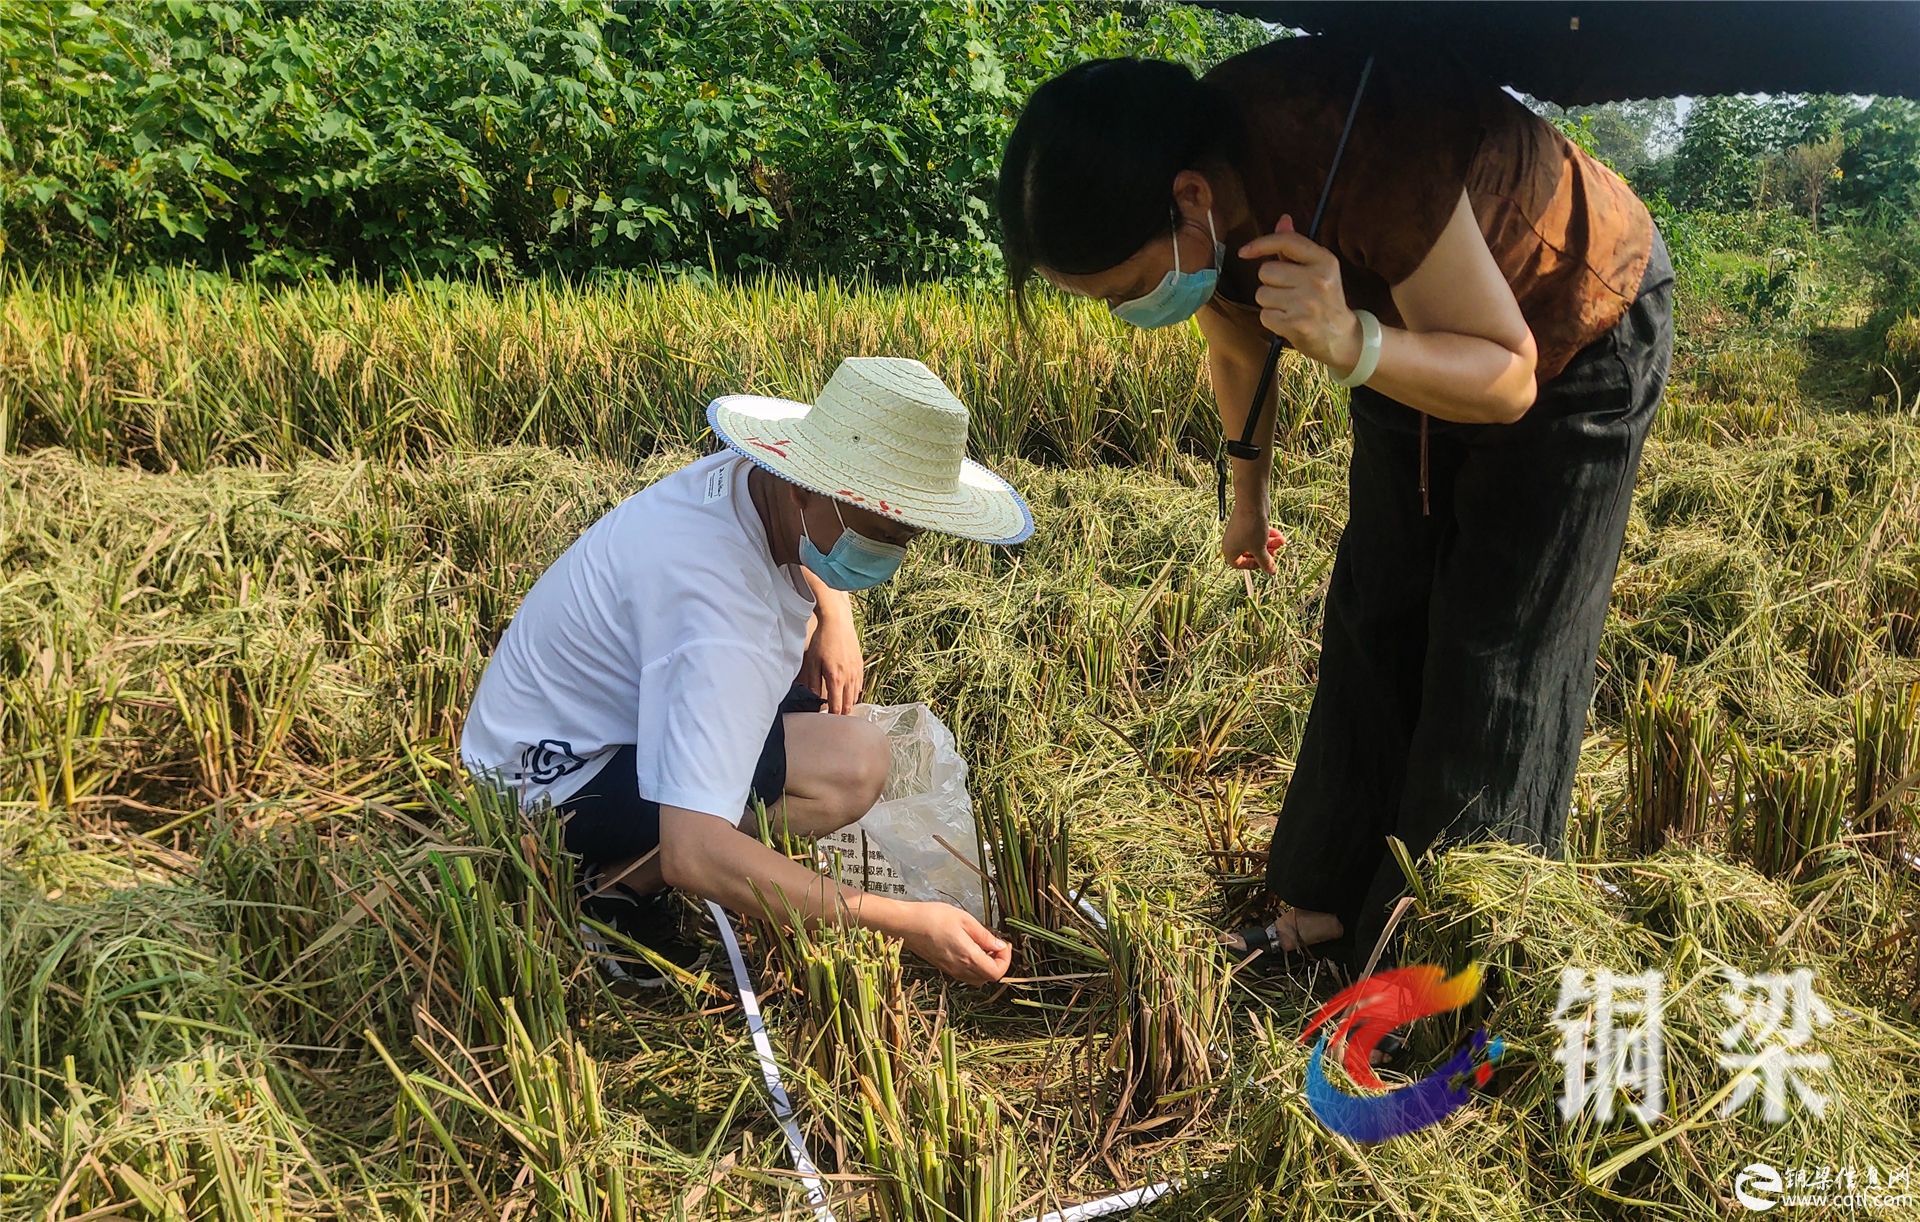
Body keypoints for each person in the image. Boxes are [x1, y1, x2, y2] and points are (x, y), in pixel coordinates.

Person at [997, 41, 1673, 974]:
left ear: (1189, 198)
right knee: (1374, 609)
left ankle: (1445, 956)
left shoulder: (1375, 149)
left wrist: (1351, 337)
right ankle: (1325, 909)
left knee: (1498, 643)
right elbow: (1237, 344)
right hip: (1393, 333)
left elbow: (1507, 376)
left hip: (1567, 337)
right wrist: (1247, 495)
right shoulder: (1203, 181)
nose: (1129, 310)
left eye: (1126, 289)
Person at [460, 356, 1034, 986]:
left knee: (831, 733)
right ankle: (613, 886)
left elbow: (799, 537)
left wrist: (833, 613)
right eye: (877, 531)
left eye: (906, 536)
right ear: (803, 486)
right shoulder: (720, 617)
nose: (891, 556)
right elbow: (694, 851)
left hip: (565, 725)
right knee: (850, 769)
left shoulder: (745, 488)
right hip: (546, 794)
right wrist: (903, 923)